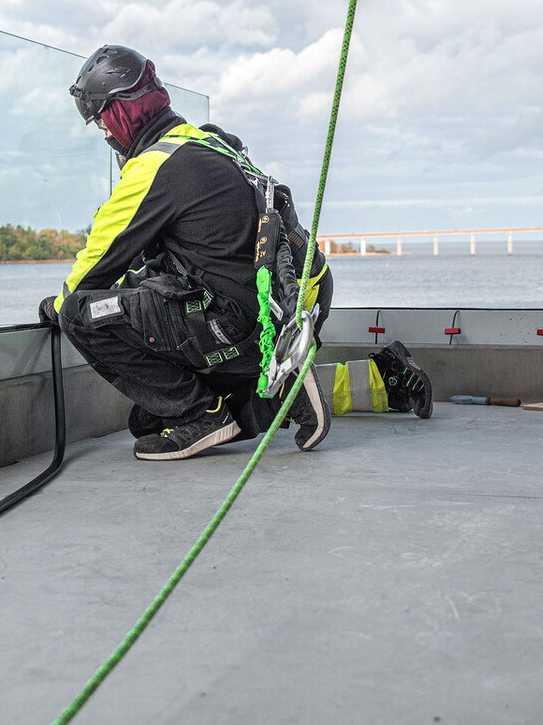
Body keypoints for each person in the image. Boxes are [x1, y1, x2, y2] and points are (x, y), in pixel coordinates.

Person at [42, 44, 430, 461]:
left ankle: (203, 415)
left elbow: (87, 280)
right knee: (149, 420)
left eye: (102, 120)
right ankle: (379, 379)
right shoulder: (210, 143)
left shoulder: (154, 167)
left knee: (80, 317)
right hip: (296, 304)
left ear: (121, 112)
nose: (103, 133)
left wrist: (59, 305)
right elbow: (183, 263)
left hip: (245, 322)